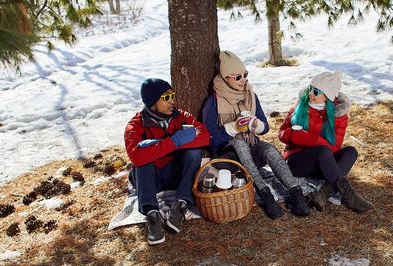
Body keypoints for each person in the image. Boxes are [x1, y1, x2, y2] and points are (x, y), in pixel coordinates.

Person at [202, 51, 311, 219]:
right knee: (239, 144)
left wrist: (256, 125)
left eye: (245, 75)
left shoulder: (250, 95)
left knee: (268, 148)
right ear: (225, 78)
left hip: (251, 153)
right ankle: (266, 196)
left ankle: (296, 195)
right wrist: (233, 127)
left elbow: (265, 127)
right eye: (237, 77)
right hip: (227, 160)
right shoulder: (213, 102)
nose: (243, 80)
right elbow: (209, 139)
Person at [124, 78, 210, 245]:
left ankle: (181, 204)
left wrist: (160, 145)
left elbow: (205, 136)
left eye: (172, 95)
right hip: (150, 179)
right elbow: (136, 156)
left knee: (194, 152)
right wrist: (174, 142)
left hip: (175, 176)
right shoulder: (135, 126)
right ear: (151, 102)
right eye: (166, 98)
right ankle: (152, 215)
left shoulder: (181, 116)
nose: (172, 101)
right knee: (143, 161)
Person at [278, 71, 373, 213]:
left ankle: (324, 193)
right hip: (297, 162)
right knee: (322, 150)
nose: (311, 93)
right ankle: (349, 196)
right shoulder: (300, 105)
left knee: (350, 151)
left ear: (327, 96)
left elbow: (334, 147)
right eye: (311, 88)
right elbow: (282, 134)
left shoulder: (338, 115)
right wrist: (300, 136)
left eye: (316, 91)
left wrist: (311, 139)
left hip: (323, 163)